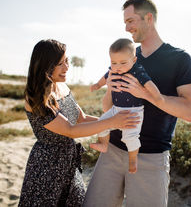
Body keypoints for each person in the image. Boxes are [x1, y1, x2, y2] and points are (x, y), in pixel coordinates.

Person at [84, 0, 191, 207]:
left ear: (149, 18)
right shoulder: (126, 58)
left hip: (151, 158)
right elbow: (109, 106)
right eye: (125, 23)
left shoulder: (179, 59)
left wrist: (146, 94)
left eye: (131, 21)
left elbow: (189, 112)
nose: (127, 28)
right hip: (112, 152)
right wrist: (109, 89)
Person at [18, 39, 139, 207]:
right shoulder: (37, 97)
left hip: (69, 162)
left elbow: (81, 118)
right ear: (46, 66)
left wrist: (117, 124)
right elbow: (70, 130)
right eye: (61, 63)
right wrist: (111, 121)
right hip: (46, 166)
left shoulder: (63, 87)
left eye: (67, 61)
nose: (67, 67)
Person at [89, 38, 161, 174]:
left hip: (133, 111)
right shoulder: (113, 71)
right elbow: (105, 77)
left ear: (133, 60)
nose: (117, 67)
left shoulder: (137, 70)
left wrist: (156, 95)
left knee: (130, 137)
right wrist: (98, 85)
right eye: (113, 62)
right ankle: (104, 144)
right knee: (101, 123)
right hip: (116, 109)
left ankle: (133, 160)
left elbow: (148, 83)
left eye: (122, 63)